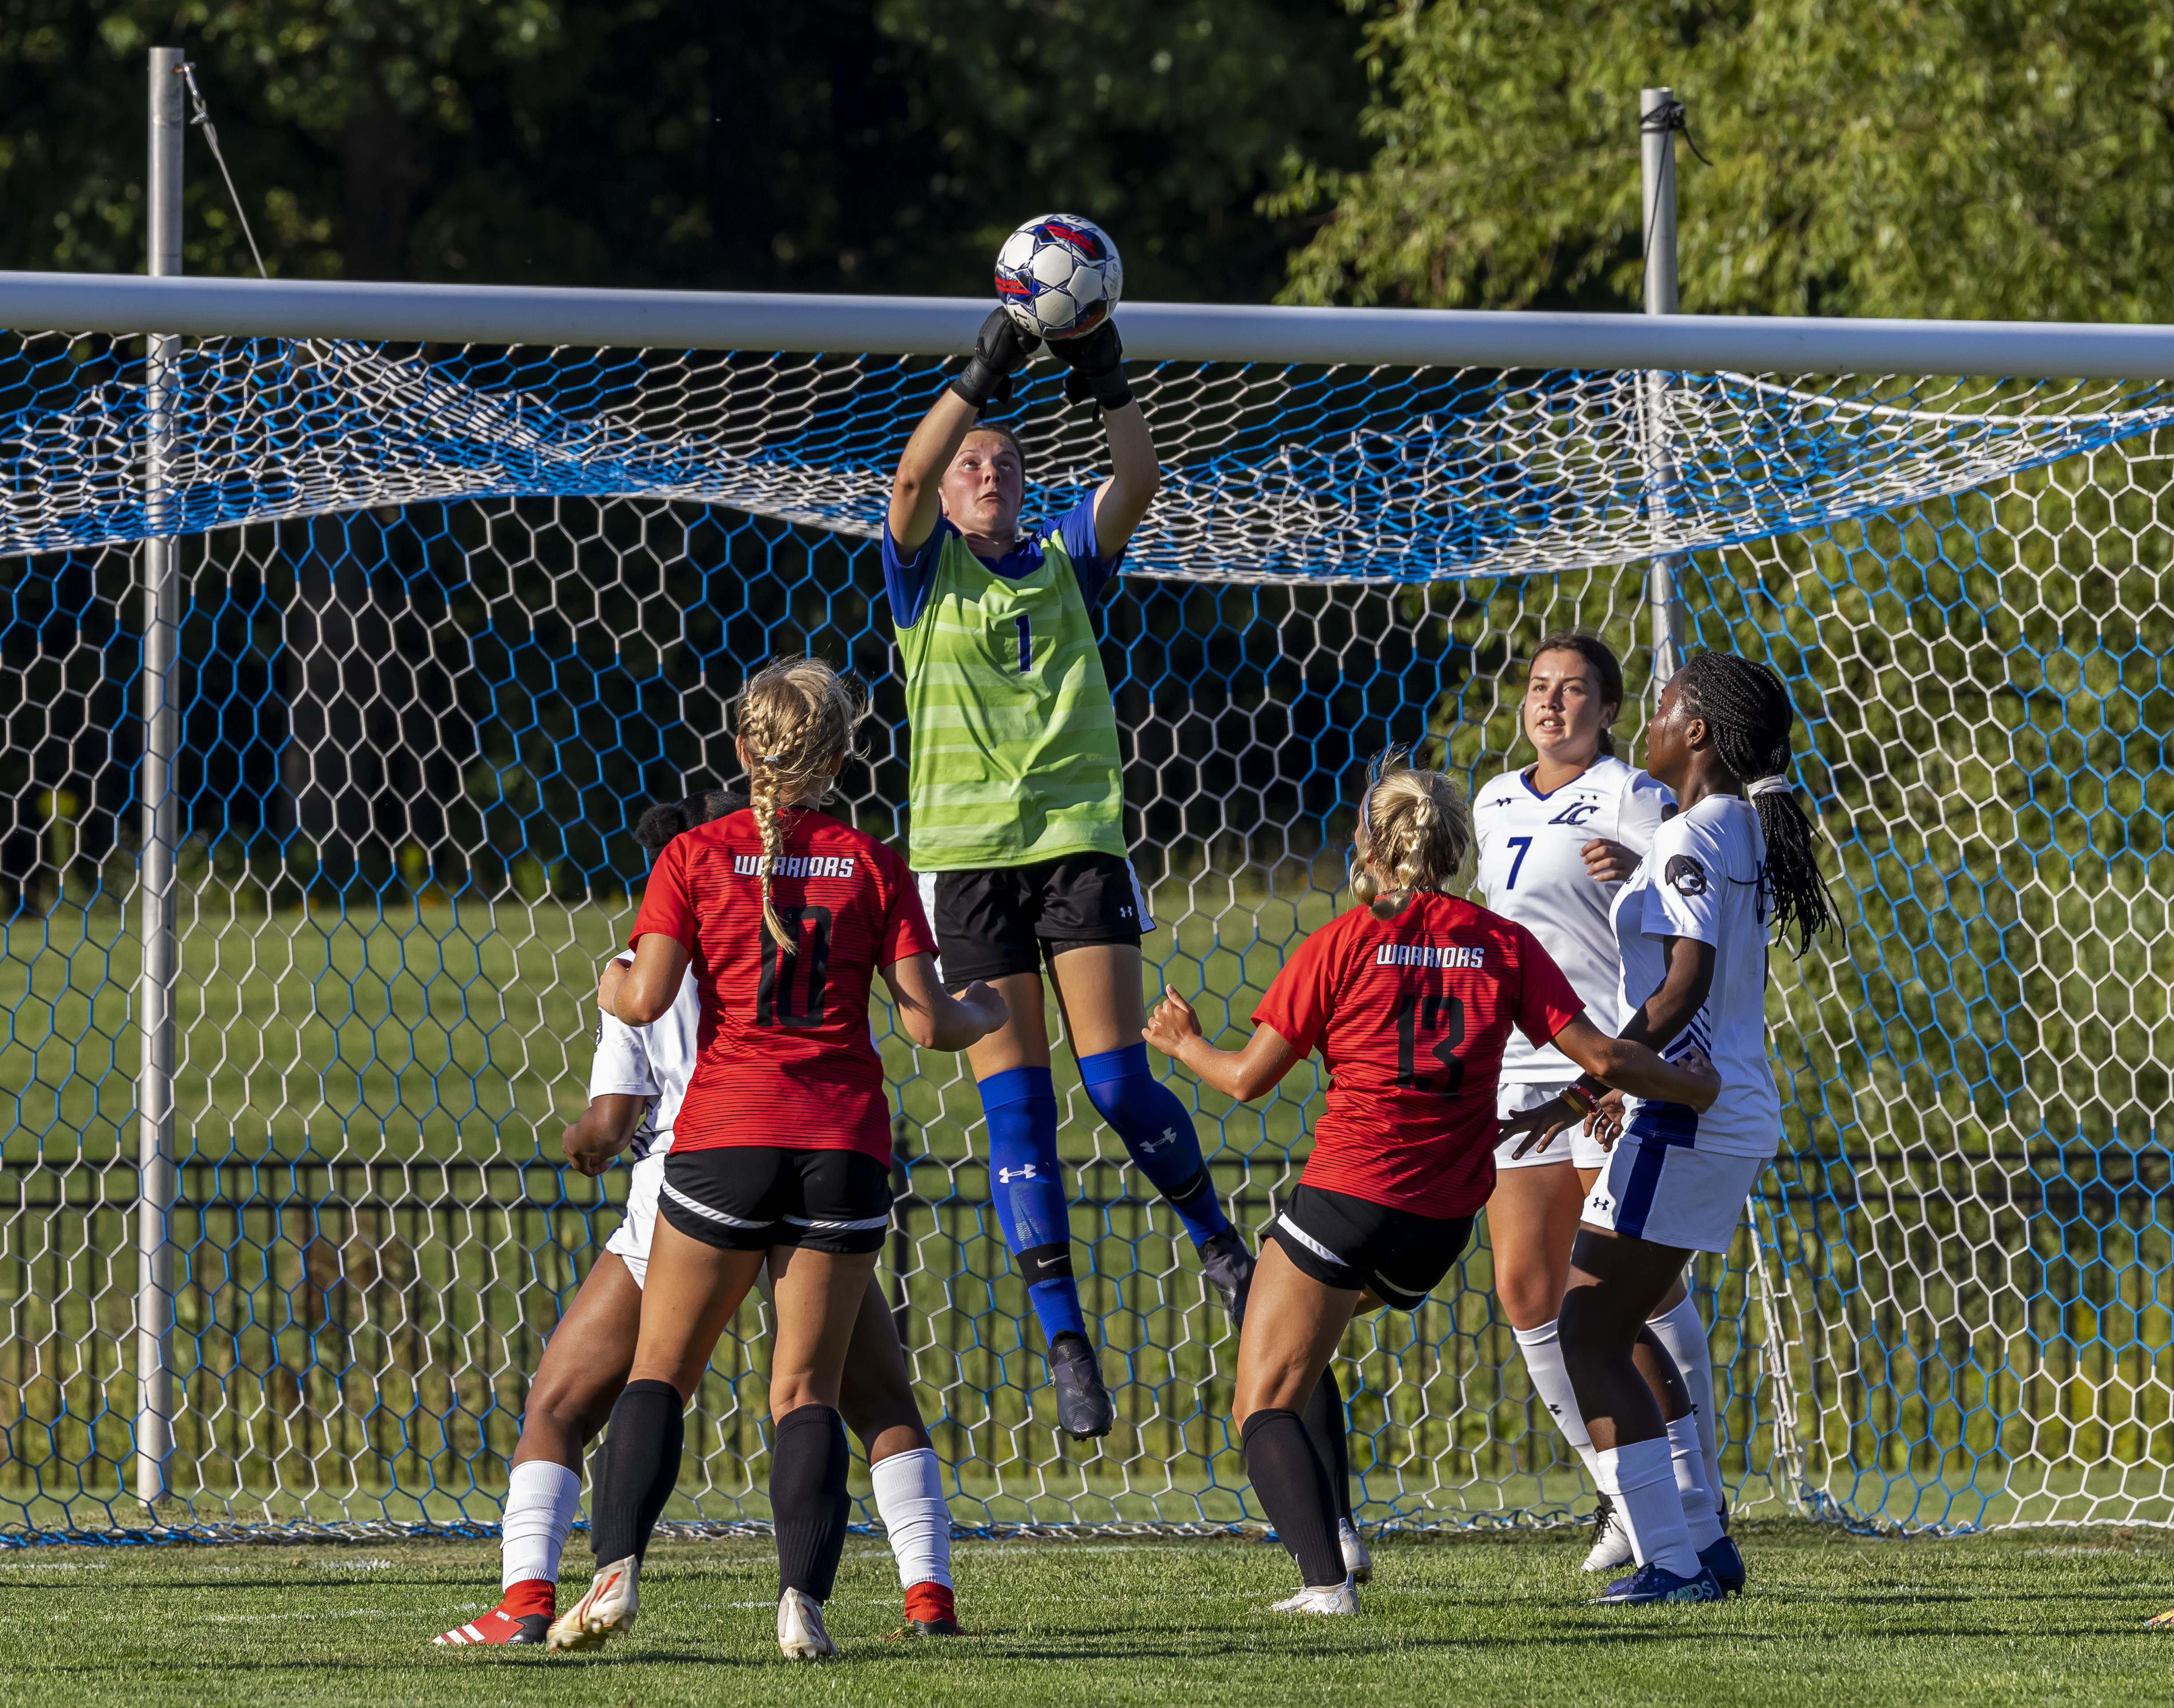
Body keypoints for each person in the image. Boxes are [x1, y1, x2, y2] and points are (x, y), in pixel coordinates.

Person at [1145, 754, 1720, 1614]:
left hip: (1348, 1196)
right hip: (1440, 1222)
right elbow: (1602, 1057)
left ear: (1369, 845)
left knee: (1259, 1398)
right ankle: (1336, 1531)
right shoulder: (1499, 941)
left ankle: (1322, 1578)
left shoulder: (1343, 939)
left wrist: (1182, 1040)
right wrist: (1694, 1084)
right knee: (1293, 1330)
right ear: (1456, 847)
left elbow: (1244, 1080)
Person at [544, 657, 1007, 1661]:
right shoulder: (873, 862)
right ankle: (802, 1598)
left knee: (660, 1371)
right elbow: (929, 1024)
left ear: (744, 744)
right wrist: (989, 1009)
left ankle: (614, 1572)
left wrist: (611, 979)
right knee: (804, 1390)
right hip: (839, 1143)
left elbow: (646, 998)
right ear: (839, 756)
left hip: (722, 1139)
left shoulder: (694, 855)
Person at [430, 787, 964, 1647]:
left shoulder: (655, 945)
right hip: (821, 1162)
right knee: (859, 1397)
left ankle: (531, 1596)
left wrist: (584, 1140)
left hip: (695, 1184)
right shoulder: (845, 872)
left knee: (572, 1398)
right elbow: (918, 1011)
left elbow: (610, 1119)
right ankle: (925, 1599)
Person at [882, 307, 1253, 1440]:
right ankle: (1065, 1339)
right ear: (948, 496)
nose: (982, 468)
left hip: (1077, 847)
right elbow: (902, 481)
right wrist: (982, 371)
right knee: (1018, 1112)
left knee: (1116, 1081)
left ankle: (1223, 1249)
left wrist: (1100, 371)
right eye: (968, 463)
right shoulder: (921, 571)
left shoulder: (1066, 561)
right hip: (965, 867)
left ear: (1025, 487)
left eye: (1002, 460)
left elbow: (1136, 475)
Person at [1503, 650, 1837, 1605]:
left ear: (1693, 730)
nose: (1645, 723)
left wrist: (1601, 1074)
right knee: (1615, 1320)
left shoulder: (1694, 832)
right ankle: (1699, 1541)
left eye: (1657, 708)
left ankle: (1677, 1560)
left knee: (1587, 1331)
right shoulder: (1737, 826)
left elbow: (1680, 981)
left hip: (1684, 1113)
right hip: (1717, 1110)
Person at [1469, 631, 1724, 1574]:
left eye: (1573, 690)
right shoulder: (1493, 800)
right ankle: (1624, 1494)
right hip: (1518, 1070)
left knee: (1638, 1293)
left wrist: (1639, 862)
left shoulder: (1636, 796)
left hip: (1610, 1065)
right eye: (1538, 687)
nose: (1550, 704)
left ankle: (1695, 1503)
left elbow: (1691, 922)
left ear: (1608, 710)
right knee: (1525, 1290)